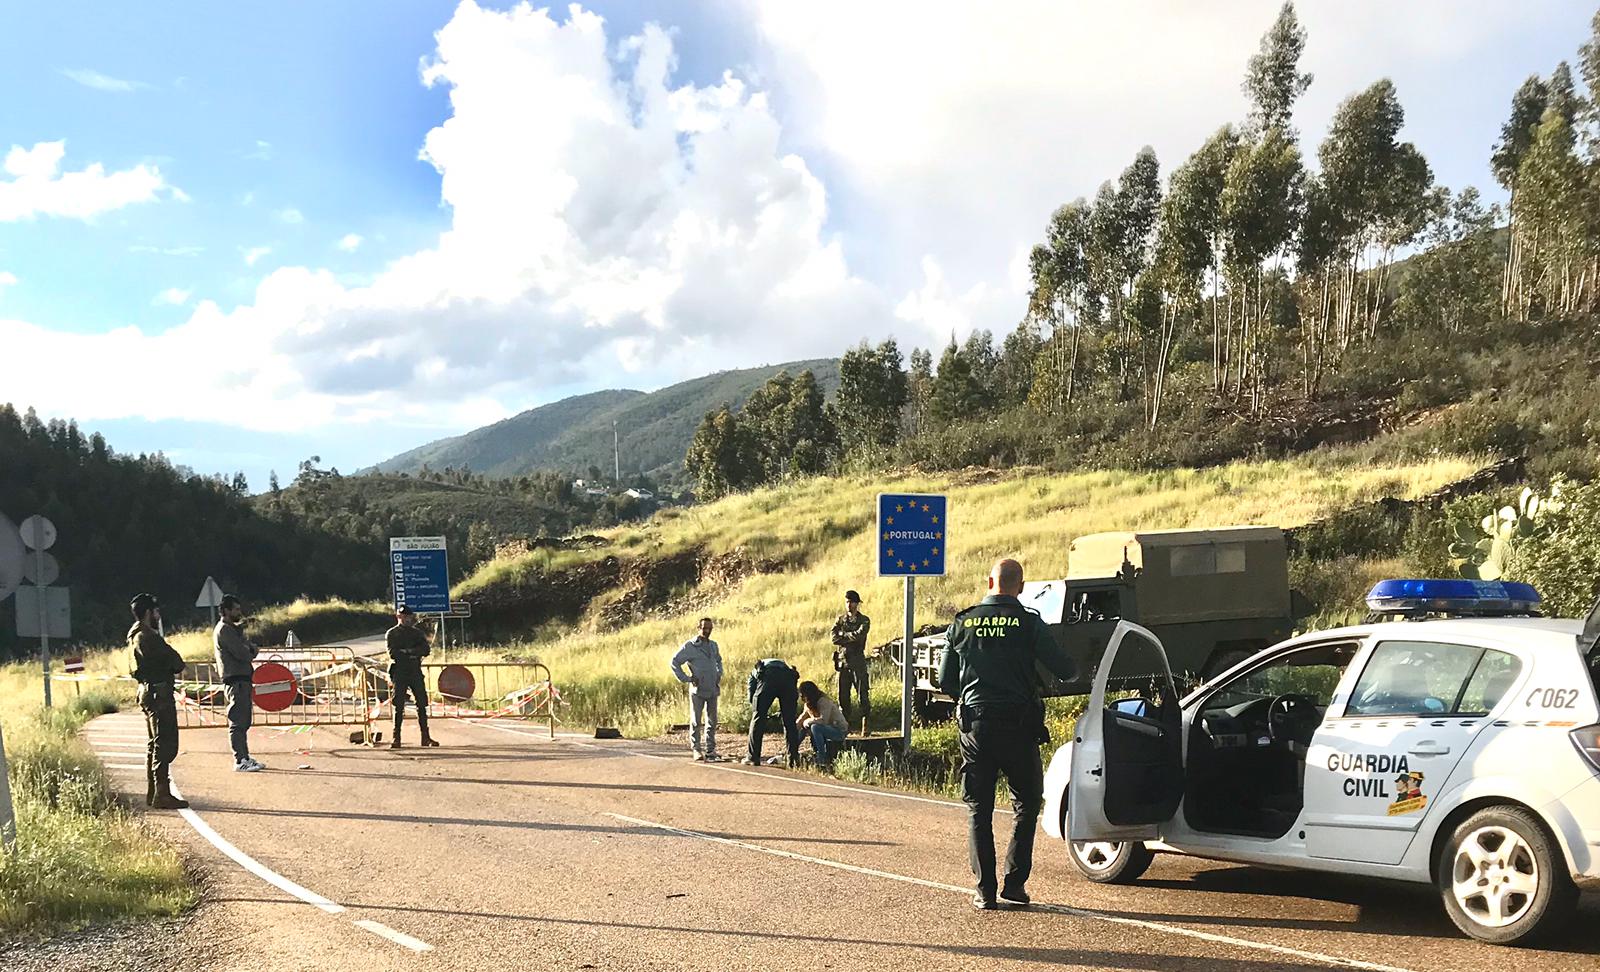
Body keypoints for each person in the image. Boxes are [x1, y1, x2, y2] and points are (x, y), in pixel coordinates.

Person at [937, 559, 1075, 911]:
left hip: (976, 727)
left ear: (989, 582)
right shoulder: (1029, 623)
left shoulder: (963, 622)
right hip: (1019, 726)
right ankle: (1014, 884)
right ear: (1022, 586)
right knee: (1026, 804)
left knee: (978, 809)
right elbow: (1066, 670)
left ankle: (984, 890)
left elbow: (945, 680)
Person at [128, 593, 189, 809]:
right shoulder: (147, 637)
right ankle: (161, 793)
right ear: (147, 613)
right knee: (164, 744)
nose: (158, 615)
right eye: (155, 612)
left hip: (149, 692)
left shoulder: (136, 636)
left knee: (155, 744)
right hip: (158, 694)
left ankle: (154, 792)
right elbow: (175, 662)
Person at [213, 594, 264, 772]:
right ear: (226, 611)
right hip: (235, 680)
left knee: (244, 720)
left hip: (242, 679)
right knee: (238, 721)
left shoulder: (232, 630)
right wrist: (251, 652)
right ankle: (240, 759)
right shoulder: (224, 631)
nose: (239, 612)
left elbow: (247, 646)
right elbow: (242, 653)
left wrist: (248, 647)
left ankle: (245, 756)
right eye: (235, 609)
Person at [670, 617, 724, 761]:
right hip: (698, 690)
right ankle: (697, 749)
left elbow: (719, 660)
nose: (707, 631)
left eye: (710, 628)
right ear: (698, 628)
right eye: (705, 628)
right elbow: (674, 662)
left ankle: (711, 750)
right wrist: (687, 678)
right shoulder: (690, 646)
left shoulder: (713, 645)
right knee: (696, 720)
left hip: (712, 688)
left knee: (712, 720)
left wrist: (719, 673)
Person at [386, 604, 439, 748]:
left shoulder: (417, 633)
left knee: (421, 703)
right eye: (404, 617)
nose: (406, 619)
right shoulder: (392, 633)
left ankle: (425, 737)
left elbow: (425, 650)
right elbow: (394, 653)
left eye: (408, 617)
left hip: (414, 670)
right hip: (400, 671)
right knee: (399, 705)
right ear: (398, 617)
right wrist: (413, 652)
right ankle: (396, 738)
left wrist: (407, 651)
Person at [745, 658, 801, 766]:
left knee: (758, 718)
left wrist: (756, 706)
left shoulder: (754, 672)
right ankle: (793, 760)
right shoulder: (786, 668)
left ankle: (753, 757)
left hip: (769, 676)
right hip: (788, 679)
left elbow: (751, 694)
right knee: (789, 721)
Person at [831, 590, 872, 735]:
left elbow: (860, 635)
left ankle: (865, 725)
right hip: (843, 663)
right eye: (847, 602)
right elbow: (834, 638)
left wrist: (844, 636)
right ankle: (844, 726)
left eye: (852, 602)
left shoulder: (864, 620)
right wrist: (847, 637)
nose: (849, 605)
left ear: (857, 604)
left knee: (863, 695)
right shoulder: (840, 620)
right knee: (843, 697)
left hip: (858, 662)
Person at [796, 680, 848, 769]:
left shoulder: (823, 701)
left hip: (838, 730)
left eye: (803, 695)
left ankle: (822, 757)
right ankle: (792, 750)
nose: (801, 698)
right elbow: (802, 719)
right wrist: (794, 728)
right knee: (804, 727)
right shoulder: (809, 704)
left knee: (815, 727)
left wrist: (808, 721)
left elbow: (824, 720)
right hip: (825, 728)